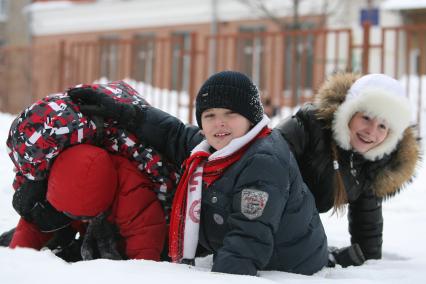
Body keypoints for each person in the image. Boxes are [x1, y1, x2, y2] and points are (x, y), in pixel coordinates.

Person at [68, 70, 329, 276]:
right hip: (251, 252)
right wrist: (122, 111)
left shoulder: (263, 162)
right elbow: (173, 133)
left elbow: (247, 242)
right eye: (210, 115)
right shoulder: (213, 148)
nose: (220, 122)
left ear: (252, 119)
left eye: (231, 113)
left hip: (288, 267)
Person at [275, 73, 421, 267]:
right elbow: (267, 168)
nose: (371, 131)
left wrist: (369, 261)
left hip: (294, 225)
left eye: (382, 126)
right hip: (258, 210)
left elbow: (367, 221)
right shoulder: (310, 125)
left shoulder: (373, 160)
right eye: (366, 117)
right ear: (348, 112)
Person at [9, 144, 167, 261]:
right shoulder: (58, 183)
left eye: (86, 215)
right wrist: (18, 259)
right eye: (72, 214)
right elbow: (34, 225)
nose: (83, 220)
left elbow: (145, 249)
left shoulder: (134, 195)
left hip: (119, 240)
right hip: (86, 231)